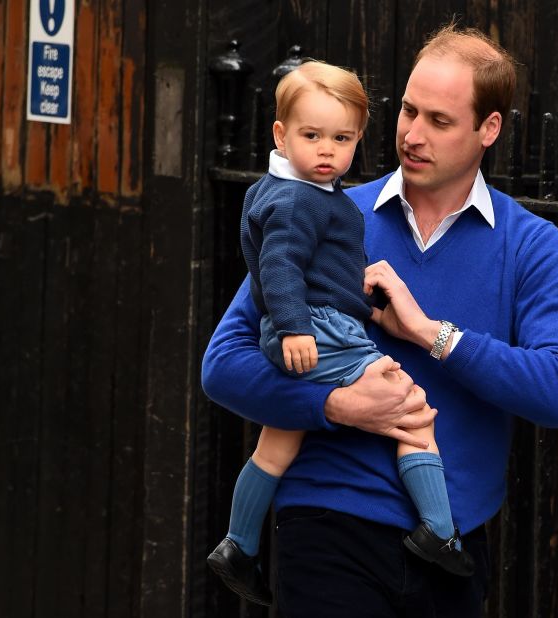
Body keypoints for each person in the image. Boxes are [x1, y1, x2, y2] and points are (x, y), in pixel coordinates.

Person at [202, 23, 558, 618]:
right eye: (408, 110)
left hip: (451, 547)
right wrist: (335, 407)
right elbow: (222, 365)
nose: (411, 134)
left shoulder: (533, 247)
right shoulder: (327, 208)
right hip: (327, 527)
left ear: (490, 129)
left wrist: (432, 335)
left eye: (439, 120)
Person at [206, 60, 473, 608]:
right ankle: (439, 532)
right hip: (320, 333)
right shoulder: (302, 199)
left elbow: (312, 269)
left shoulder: (282, 192)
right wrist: (294, 329)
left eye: (343, 138)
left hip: (319, 325)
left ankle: (238, 546)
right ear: (281, 134)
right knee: (411, 407)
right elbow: (279, 265)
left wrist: (366, 303)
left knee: (277, 443)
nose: (328, 150)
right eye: (312, 136)